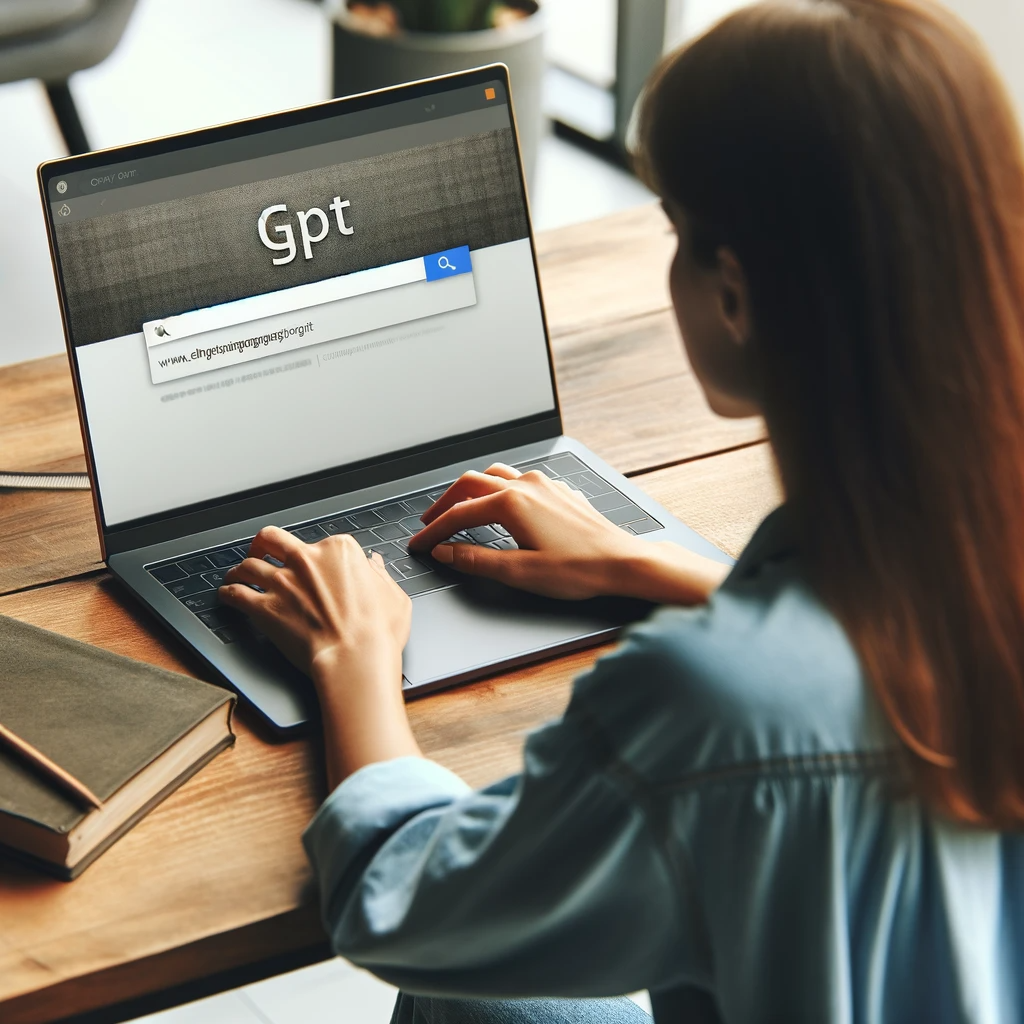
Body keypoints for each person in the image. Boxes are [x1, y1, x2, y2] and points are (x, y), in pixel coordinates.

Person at [220, 0, 1024, 1019]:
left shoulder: (710, 704)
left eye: (677, 231)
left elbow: (410, 907)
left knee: (467, 993)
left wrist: (356, 661)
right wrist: (654, 568)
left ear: (735, 293)